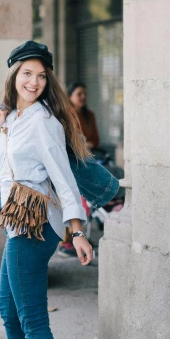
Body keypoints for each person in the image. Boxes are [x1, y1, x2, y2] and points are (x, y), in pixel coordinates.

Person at [0, 40, 93, 339]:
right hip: (17, 223)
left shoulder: (45, 122)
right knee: (8, 310)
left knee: (31, 321)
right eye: (27, 73)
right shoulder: (13, 116)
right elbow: (6, 169)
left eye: (41, 75)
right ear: (13, 74)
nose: (34, 81)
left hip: (35, 227)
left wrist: (77, 230)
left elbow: (63, 179)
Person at [58, 81, 100, 257]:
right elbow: (70, 139)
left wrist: (87, 144)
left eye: (84, 93)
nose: (83, 97)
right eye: (79, 94)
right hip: (73, 160)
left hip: (89, 157)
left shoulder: (89, 115)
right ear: (70, 97)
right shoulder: (66, 114)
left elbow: (95, 138)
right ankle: (67, 240)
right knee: (72, 197)